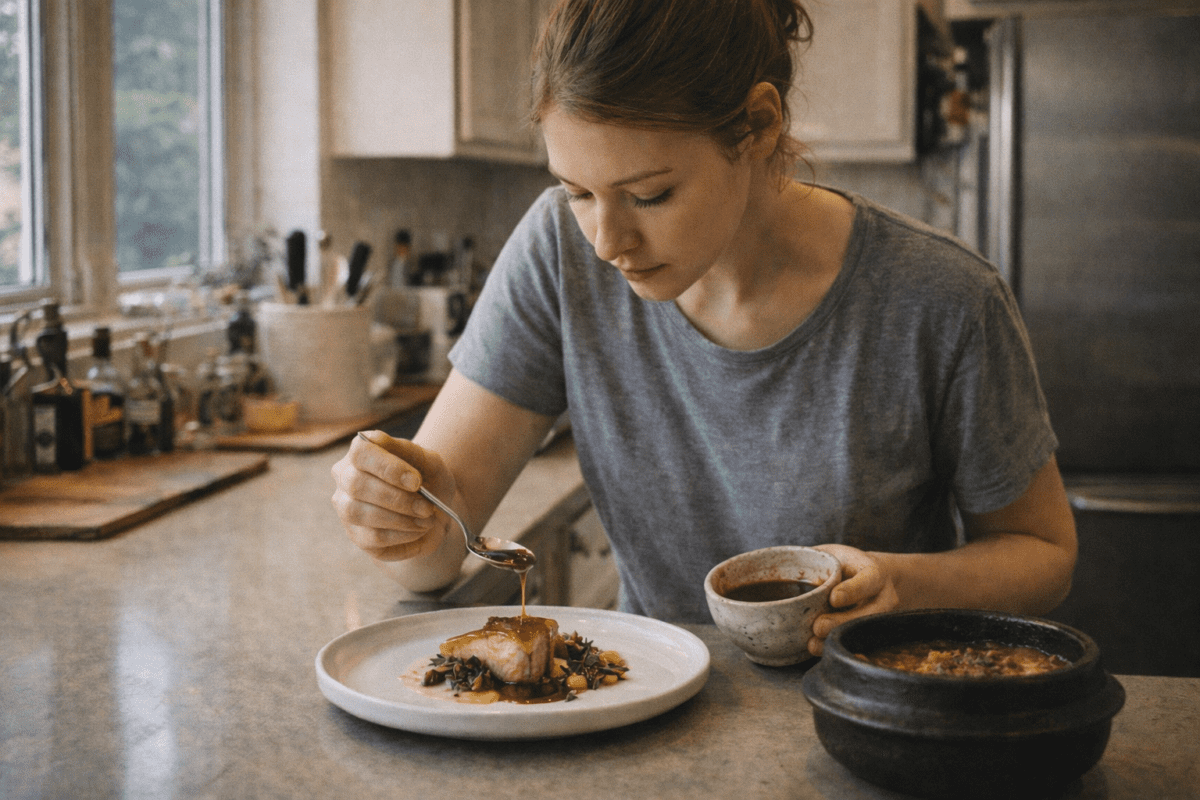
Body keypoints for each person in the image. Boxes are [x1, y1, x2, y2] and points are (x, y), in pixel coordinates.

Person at [331, 0, 1077, 655]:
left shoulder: (941, 297)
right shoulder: (557, 252)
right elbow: (434, 554)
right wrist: (402, 516)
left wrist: (906, 587)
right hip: (644, 718)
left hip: (868, 719)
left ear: (758, 124)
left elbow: (1043, 554)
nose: (605, 241)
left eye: (649, 194)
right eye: (577, 191)